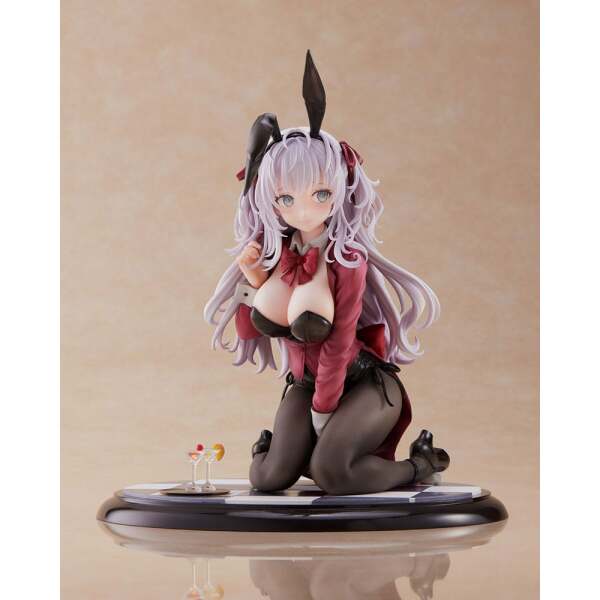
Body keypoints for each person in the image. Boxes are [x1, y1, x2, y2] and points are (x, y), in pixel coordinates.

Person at [204, 51, 449, 495]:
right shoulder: (276, 253)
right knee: (267, 477)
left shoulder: (348, 259)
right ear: (269, 199)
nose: (303, 210)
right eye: (286, 198)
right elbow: (251, 330)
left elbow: (338, 343)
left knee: (334, 473)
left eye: (319, 193)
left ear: (340, 189)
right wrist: (254, 281)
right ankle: (292, 452)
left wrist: (322, 412)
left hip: (362, 382)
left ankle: (420, 465)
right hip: (303, 383)